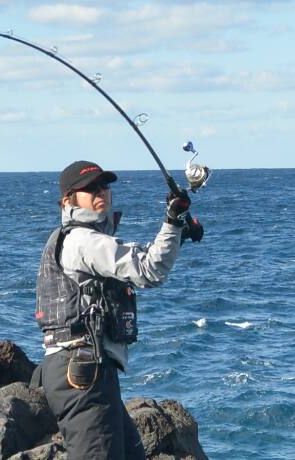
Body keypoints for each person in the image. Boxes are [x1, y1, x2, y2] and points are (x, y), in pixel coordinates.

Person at [33, 160, 199, 459]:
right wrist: (173, 219)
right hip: (83, 373)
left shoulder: (75, 239)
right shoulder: (85, 240)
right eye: (90, 188)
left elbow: (136, 261)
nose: (101, 192)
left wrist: (177, 236)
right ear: (68, 200)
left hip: (80, 370)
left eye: (105, 186)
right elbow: (149, 270)